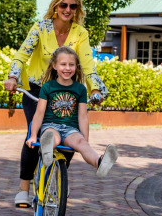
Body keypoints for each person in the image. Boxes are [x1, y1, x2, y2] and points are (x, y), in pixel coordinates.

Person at [3, 0, 109, 207]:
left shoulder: (80, 33)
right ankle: (24, 188)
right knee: (34, 131)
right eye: (63, 5)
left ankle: (59, 177)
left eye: (73, 6)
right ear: (55, 6)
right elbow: (21, 55)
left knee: (71, 135)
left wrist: (96, 89)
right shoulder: (40, 28)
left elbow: (88, 66)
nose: (67, 10)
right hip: (36, 90)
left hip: (65, 92)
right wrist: (12, 77)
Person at [26, 46, 117, 177]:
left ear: (76, 67)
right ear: (54, 66)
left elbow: (82, 116)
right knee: (52, 138)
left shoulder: (80, 89)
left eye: (71, 65)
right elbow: (39, 113)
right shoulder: (48, 87)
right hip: (51, 126)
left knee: (80, 142)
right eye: (63, 64)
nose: (67, 68)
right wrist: (34, 135)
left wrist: (85, 140)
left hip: (71, 130)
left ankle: (100, 163)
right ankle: (46, 153)